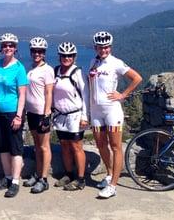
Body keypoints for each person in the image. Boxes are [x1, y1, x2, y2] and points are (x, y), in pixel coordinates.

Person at [88, 31, 142, 199]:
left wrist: (123, 94)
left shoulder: (116, 63)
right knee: (101, 144)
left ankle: (113, 186)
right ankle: (109, 174)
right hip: (96, 110)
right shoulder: (93, 62)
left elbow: (137, 78)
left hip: (112, 110)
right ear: (95, 47)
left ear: (110, 47)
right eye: (100, 47)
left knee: (116, 146)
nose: (103, 50)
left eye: (106, 47)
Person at [0, 33, 28, 198]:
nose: (8, 48)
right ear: (1, 47)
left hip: (13, 112)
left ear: (15, 48)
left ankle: (15, 181)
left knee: (16, 148)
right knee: (3, 147)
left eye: (11, 46)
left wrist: (19, 116)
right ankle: (6, 177)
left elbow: (22, 94)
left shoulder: (19, 68)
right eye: (5, 45)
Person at [52, 42, 89, 191]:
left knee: (76, 146)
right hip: (60, 116)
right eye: (64, 55)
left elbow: (85, 95)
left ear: (74, 57)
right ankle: (68, 174)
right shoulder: (56, 71)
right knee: (65, 146)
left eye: (70, 55)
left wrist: (84, 116)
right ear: (59, 57)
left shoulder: (78, 73)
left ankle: (80, 179)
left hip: (75, 115)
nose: (66, 58)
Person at [23, 37, 54, 194]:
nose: (36, 53)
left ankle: (44, 179)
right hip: (31, 112)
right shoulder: (31, 68)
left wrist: (47, 113)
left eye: (40, 51)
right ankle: (37, 173)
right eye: (34, 51)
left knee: (44, 146)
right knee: (36, 146)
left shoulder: (47, 70)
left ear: (44, 53)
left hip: (42, 113)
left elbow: (49, 92)